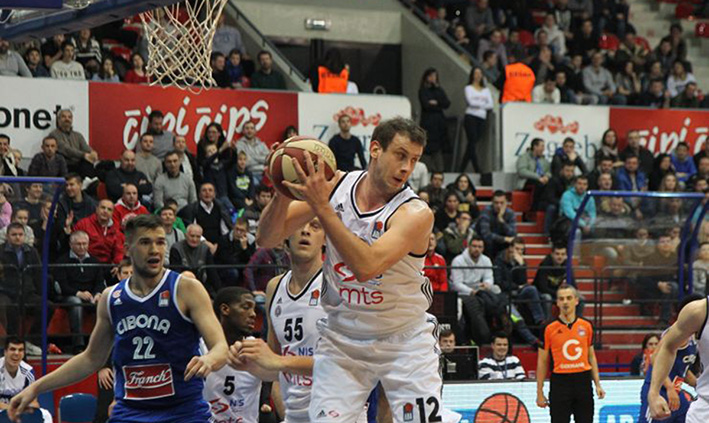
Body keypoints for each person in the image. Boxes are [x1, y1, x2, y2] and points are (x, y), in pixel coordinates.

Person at [253, 117, 446, 423]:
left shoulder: (415, 213)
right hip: (343, 339)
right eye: (400, 155)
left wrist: (322, 207)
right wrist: (282, 190)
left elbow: (366, 266)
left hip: (404, 339)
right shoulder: (336, 186)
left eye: (414, 160)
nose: (406, 168)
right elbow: (267, 237)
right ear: (375, 149)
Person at [9, 215, 229, 422]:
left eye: (160, 242)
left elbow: (220, 347)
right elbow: (91, 358)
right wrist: (35, 388)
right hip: (131, 412)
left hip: (183, 412)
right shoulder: (112, 297)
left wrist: (209, 359)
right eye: (145, 242)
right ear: (127, 248)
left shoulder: (186, 289)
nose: (155, 250)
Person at [230, 219, 331, 423]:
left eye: (315, 226)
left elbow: (347, 363)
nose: (305, 231)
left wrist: (280, 362)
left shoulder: (337, 283)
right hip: (294, 414)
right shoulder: (274, 287)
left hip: (337, 411)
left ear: (325, 239)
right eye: (299, 225)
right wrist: (250, 365)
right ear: (286, 235)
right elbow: (275, 367)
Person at [536, 284, 605, 423]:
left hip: (583, 381)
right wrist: (539, 392)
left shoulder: (586, 325)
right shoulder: (548, 328)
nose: (565, 302)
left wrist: (597, 384)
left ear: (576, 300)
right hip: (560, 382)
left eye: (569, 298)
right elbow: (542, 361)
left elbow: (591, 356)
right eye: (561, 299)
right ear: (557, 302)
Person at [203, 287, 261, 423]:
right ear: (225, 309)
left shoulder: (258, 349)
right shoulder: (199, 346)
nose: (253, 314)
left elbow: (274, 380)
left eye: (254, 309)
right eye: (246, 307)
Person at [647, 295, 709, 422]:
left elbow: (685, 370)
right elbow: (665, 349)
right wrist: (654, 392)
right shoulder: (699, 312)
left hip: (681, 387)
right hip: (704, 410)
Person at [55, 230, 105, 353]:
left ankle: (101, 344)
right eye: (78, 244)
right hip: (69, 296)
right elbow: (62, 286)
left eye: (84, 244)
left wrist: (97, 294)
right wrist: (78, 293)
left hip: (91, 296)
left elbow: (100, 283)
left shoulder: (95, 262)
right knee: (76, 302)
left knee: (104, 303)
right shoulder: (62, 261)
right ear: (71, 244)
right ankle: (78, 345)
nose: (82, 247)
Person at [450, 236, 502, 345]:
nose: (477, 249)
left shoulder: (486, 260)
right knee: (475, 305)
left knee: (499, 298)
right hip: (463, 292)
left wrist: (486, 284)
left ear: (483, 248)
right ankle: (481, 336)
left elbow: (489, 278)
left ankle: (500, 331)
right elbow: (456, 284)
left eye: (480, 247)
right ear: (468, 246)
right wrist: (471, 291)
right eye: (474, 246)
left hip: (480, 290)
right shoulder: (458, 260)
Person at [0, 337, 52, 422]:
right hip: (3, 411)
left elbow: (34, 403)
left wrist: (20, 410)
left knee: (46, 414)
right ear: (5, 352)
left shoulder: (28, 372)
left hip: (20, 412)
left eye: (20, 350)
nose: (16, 353)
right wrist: (11, 409)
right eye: (12, 349)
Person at [169, 224, 222, 298]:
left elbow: (212, 272)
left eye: (198, 237)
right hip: (182, 285)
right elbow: (175, 273)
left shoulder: (205, 248)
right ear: (186, 235)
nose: (195, 239)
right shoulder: (176, 248)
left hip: (201, 283)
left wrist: (220, 292)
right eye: (192, 236)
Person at [461, 67, 493, 174]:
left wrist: (478, 104)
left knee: (472, 144)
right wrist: (483, 104)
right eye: (476, 73)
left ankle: (461, 168)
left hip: (481, 118)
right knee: (472, 140)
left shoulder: (486, 90)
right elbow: (471, 102)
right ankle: (477, 168)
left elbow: (490, 105)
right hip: (470, 116)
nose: (478, 75)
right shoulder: (468, 88)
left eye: (480, 73)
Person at [73, 199, 124, 265]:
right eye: (103, 208)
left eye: (109, 209)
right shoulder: (83, 224)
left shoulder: (116, 230)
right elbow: (74, 245)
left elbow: (119, 252)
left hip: (108, 266)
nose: (105, 211)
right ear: (97, 209)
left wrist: (116, 265)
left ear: (112, 213)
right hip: (86, 264)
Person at [50, 109, 98, 178]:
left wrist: (92, 152)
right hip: (65, 164)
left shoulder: (78, 135)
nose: (67, 119)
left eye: (69, 117)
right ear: (58, 120)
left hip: (78, 163)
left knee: (91, 164)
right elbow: (66, 149)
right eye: (64, 117)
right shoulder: (54, 134)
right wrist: (83, 155)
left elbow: (85, 147)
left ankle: (89, 182)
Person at [418, 68, 450, 173]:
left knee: (438, 147)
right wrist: (437, 105)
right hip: (428, 122)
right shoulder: (423, 90)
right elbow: (426, 105)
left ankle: (439, 170)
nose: (433, 78)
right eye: (431, 76)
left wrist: (436, 102)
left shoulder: (438, 90)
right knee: (427, 146)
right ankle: (428, 168)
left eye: (435, 76)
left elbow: (446, 103)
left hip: (439, 124)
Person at [476, 190, 516, 259]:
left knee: (515, 245)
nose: (499, 205)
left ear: (506, 202)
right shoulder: (486, 212)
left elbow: (513, 233)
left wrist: (502, 221)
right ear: (492, 202)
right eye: (496, 203)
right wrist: (504, 239)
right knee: (488, 243)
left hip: (503, 246)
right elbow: (486, 235)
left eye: (502, 203)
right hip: (488, 245)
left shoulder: (510, 213)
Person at [516, 138, 551, 211]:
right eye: (542, 146)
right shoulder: (524, 157)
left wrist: (546, 176)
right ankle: (534, 208)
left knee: (551, 183)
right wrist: (538, 177)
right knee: (539, 184)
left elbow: (549, 171)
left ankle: (545, 206)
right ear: (535, 147)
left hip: (542, 180)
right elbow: (522, 171)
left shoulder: (544, 160)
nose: (543, 149)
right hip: (527, 181)